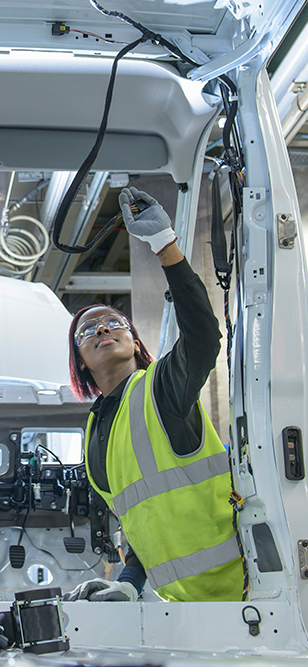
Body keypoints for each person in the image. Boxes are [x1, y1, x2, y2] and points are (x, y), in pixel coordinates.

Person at [62, 186, 245, 603]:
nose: (104, 329)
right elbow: (140, 518)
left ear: (135, 341)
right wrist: (127, 581)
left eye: (115, 322)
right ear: (81, 361)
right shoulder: (95, 429)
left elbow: (202, 338)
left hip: (244, 590)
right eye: (89, 330)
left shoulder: (159, 387)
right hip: (180, 606)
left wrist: (166, 248)